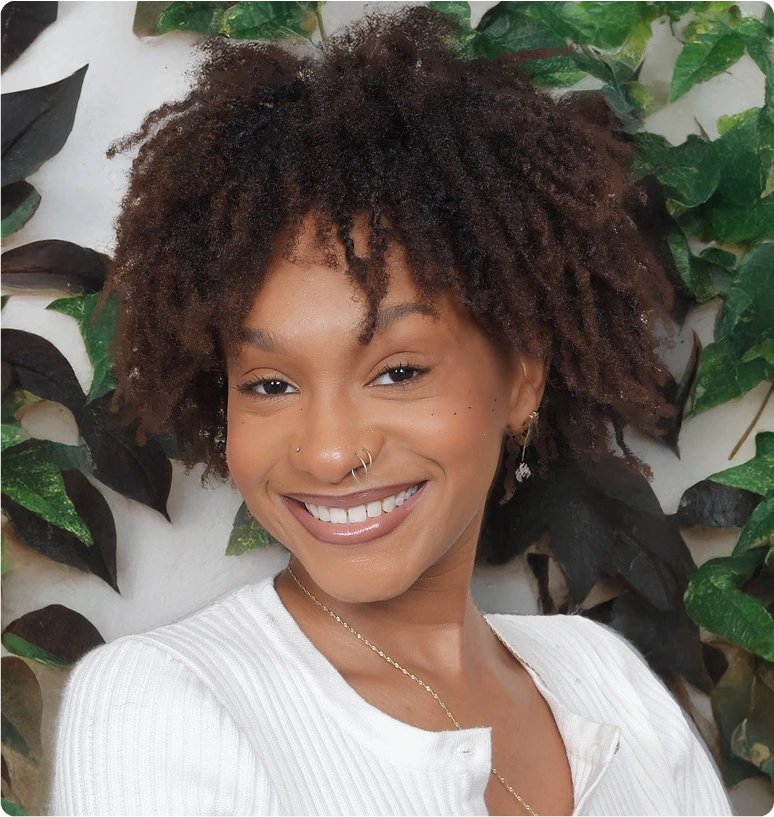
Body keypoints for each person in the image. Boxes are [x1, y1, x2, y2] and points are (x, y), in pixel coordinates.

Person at [50, 8, 735, 817]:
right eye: (269, 384)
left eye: (398, 371)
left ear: (522, 379)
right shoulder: (167, 707)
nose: (329, 453)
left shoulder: (609, 681)